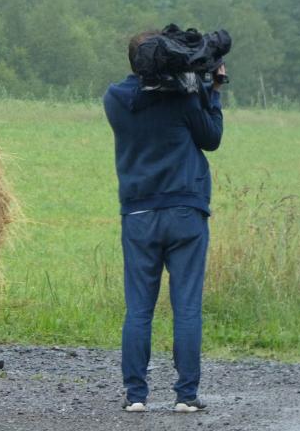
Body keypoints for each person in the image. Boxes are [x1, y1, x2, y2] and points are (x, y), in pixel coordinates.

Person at [103, 30, 225, 413]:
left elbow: (142, 99)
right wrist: (212, 89)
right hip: (186, 211)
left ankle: (136, 396)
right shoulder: (184, 99)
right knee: (186, 307)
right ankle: (185, 396)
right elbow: (212, 138)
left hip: (138, 213)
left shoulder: (114, 99)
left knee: (139, 309)